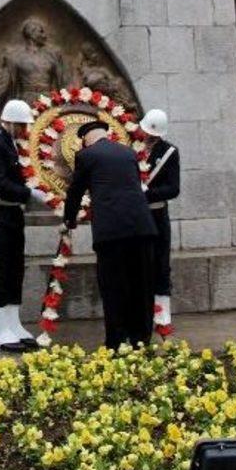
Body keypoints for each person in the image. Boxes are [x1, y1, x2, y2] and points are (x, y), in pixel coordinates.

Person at [63, 118, 157, 350]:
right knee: (141, 284)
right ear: (105, 134)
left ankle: (116, 341)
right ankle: (142, 338)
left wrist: (69, 220)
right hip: (142, 227)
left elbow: (75, 191)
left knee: (114, 286)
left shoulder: (86, 156)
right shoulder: (127, 153)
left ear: (86, 139)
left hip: (111, 233)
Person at [0, 98, 47, 351]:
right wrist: (29, 194)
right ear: (11, 122)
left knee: (15, 269)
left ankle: (13, 324)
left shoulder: (14, 145)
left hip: (12, 214)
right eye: (22, 125)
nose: (25, 130)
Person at [140, 109, 180, 337]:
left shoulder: (169, 152)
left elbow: (173, 188)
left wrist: (148, 193)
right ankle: (143, 311)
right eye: (146, 133)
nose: (148, 138)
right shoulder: (131, 147)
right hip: (136, 217)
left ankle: (163, 314)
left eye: (153, 136)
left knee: (161, 264)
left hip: (157, 214)